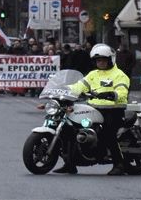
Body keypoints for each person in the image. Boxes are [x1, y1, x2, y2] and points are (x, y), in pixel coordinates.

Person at [53, 43, 130, 176]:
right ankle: (69, 163)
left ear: (110, 60)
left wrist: (112, 94)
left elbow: (122, 90)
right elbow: (80, 86)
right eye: (98, 60)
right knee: (70, 128)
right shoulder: (93, 74)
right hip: (94, 108)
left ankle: (119, 164)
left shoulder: (119, 75)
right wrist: (65, 90)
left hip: (113, 109)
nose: (100, 63)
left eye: (103, 60)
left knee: (108, 134)